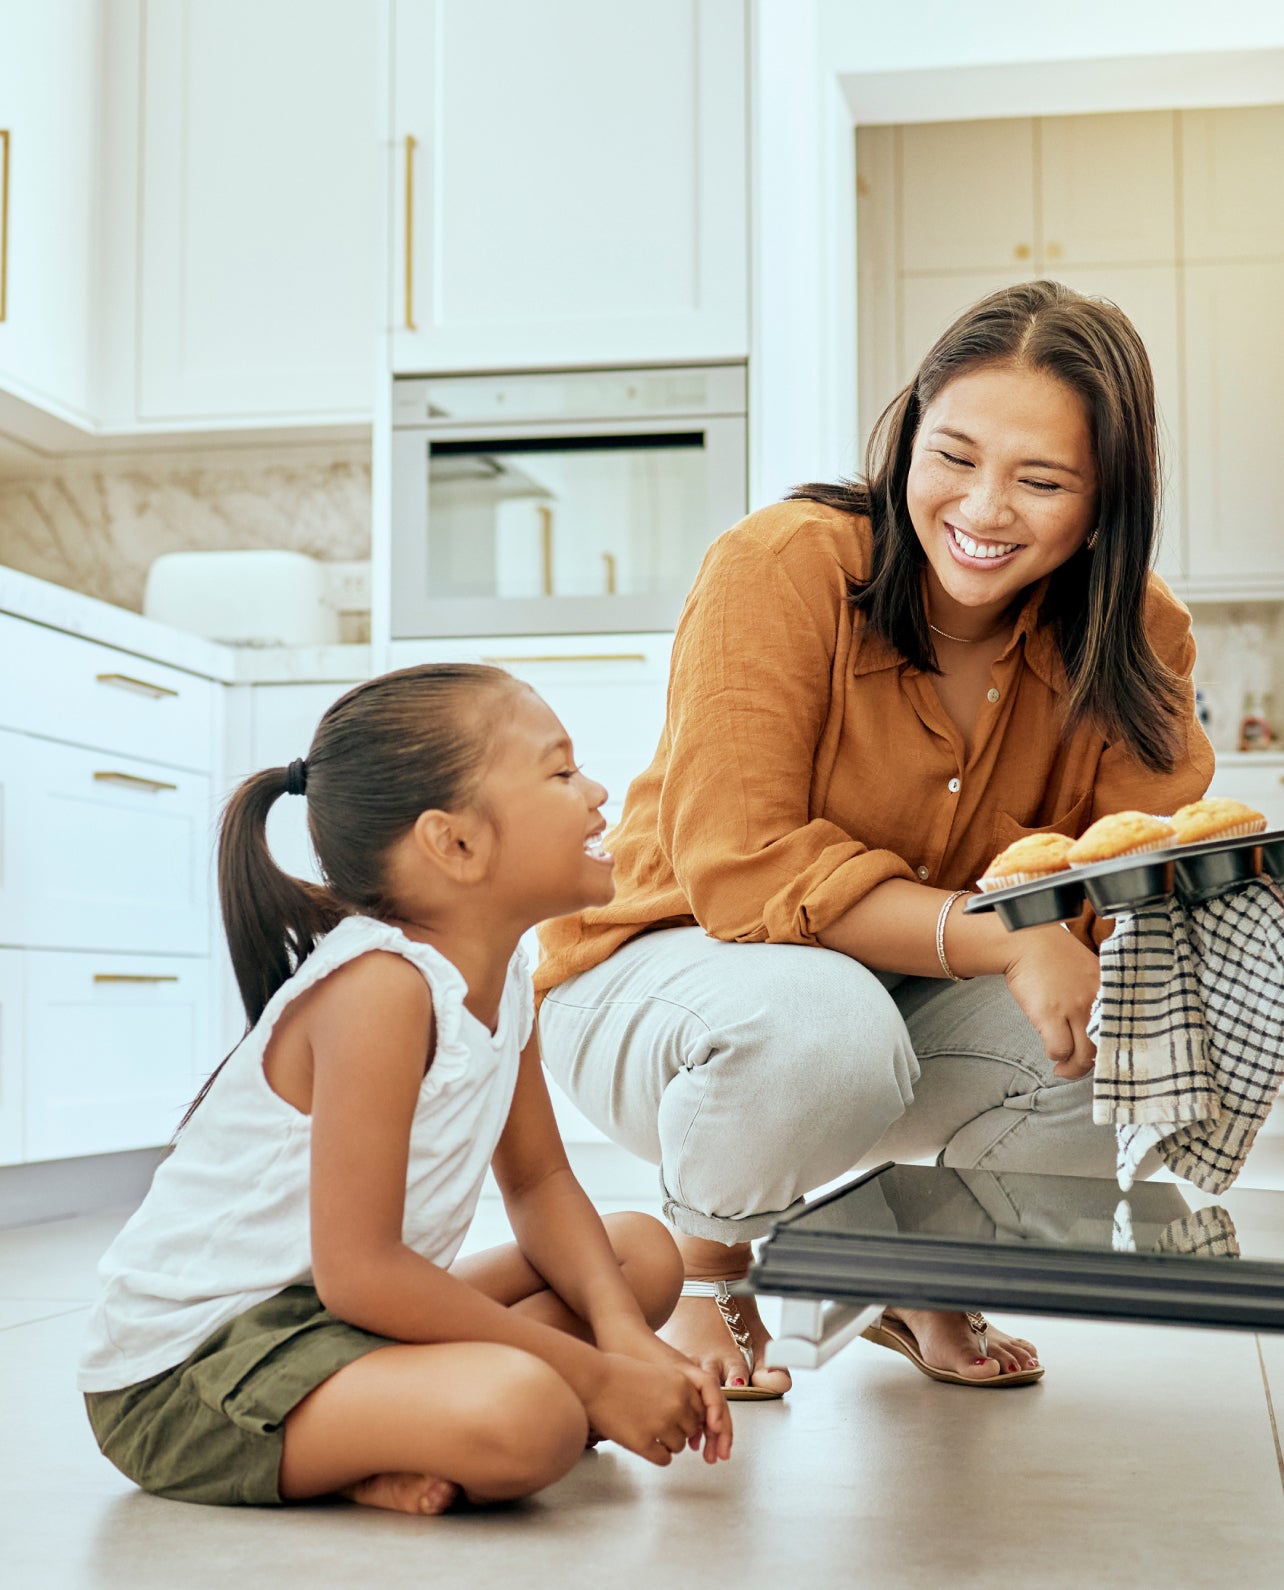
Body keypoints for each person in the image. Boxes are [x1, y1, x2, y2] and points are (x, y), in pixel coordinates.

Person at [536, 280, 1215, 1397]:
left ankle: (915, 1261)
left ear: (1104, 503)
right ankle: (709, 1272)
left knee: (1154, 1046)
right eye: (953, 456)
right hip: (671, 983)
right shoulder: (785, 564)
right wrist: (1004, 938)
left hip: (901, 1005)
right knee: (823, 1027)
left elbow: (1132, 869)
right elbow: (743, 869)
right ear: (907, 434)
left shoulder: (1141, 633)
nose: (984, 508)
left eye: (1040, 482)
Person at [79, 664, 731, 1512]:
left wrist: (619, 1339)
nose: (597, 792)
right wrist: (597, 1376)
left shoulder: (502, 975)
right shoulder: (381, 990)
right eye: (561, 771)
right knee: (530, 1416)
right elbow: (361, 1275)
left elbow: (539, 1182)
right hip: (189, 1372)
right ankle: (400, 1438)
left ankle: (405, 1424)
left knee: (640, 1257)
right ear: (453, 844)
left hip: (328, 1323)